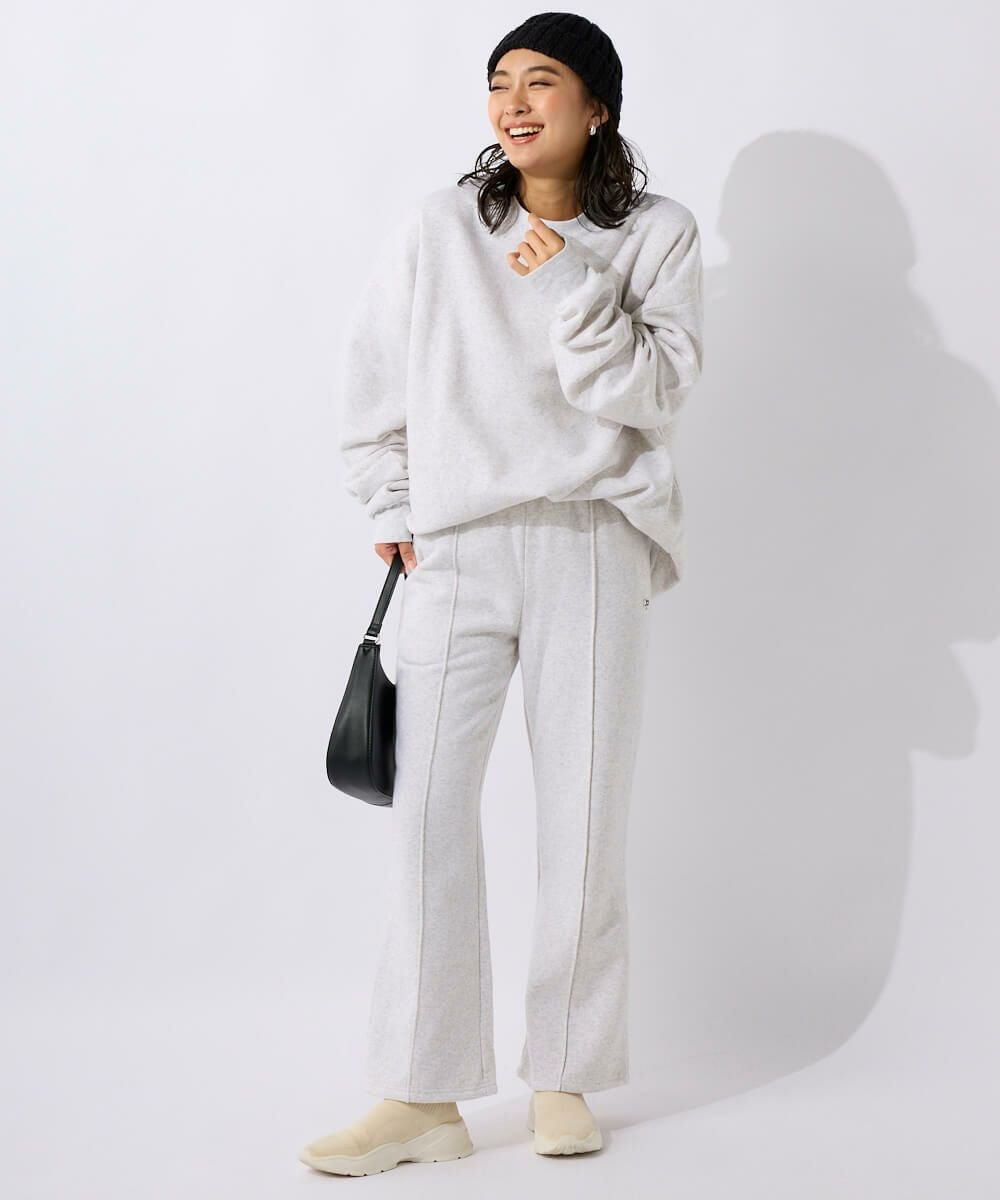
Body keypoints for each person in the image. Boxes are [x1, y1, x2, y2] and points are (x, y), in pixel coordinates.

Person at [299, 11, 704, 1176]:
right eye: (499, 84)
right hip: (456, 548)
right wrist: (392, 507)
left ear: (598, 106)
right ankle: (421, 1096)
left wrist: (569, 278)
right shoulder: (441, 226)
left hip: (593, 539)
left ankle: (562, 1077)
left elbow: (655, 392)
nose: (514, 103)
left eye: (541, 82)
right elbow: (371, 380)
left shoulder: (655, 234)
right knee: (427, 816)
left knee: (583, 818)